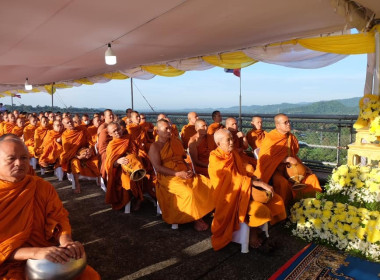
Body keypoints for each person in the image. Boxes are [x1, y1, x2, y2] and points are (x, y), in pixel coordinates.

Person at [0, 137, 100, 279]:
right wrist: (34, 253)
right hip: (8, 261)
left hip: (47, 257)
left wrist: (66, 241)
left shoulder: (41, 186)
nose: (19, 163)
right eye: (11, 158)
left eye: (24, 158)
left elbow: (58, 217)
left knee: (89, 276)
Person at [208, 129, 286, 250]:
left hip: (243, 190)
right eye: (228, 140)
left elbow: (242, 172)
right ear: (218, 144)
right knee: (259, 210)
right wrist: (256, 184)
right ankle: (252, 235)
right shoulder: (215, 158)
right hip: (229, 198)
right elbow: (232, 180)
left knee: (277, 199)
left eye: (232, 139)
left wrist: (256, 180)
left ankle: (259, 228)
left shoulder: (233, 154)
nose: (232, 142)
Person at [149, 119, 214, 231]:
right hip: (168, 177)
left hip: (183, 172)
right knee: (188, 192)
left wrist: (189, 170)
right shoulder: (155, 147)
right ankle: (196, 219)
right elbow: (158, 167)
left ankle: (208, 210)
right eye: (166, 129)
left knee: (208, 183)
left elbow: (183, 159)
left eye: (170, 128)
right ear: (158, 131)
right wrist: (178, 174)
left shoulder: (175, 142)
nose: (169, 131)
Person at [254, 114, 322, 206]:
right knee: (282, 183)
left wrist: (304, 167)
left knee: (311, 178)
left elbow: (294, 155)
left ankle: (312, 204)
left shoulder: (291, 137)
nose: (289, 124)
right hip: (275, 169)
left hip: (292, 170)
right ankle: (288, 207)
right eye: (285, 122)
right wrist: (285, 159)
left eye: (289, 122)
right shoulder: (271, 138)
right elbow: (265, 158)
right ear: (278, 125)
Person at [105, 122, 144, 210]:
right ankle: (130, 199)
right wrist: (118, 161)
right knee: (126, 178)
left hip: (133, 164)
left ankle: (138, 198)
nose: (117, 132)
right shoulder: (111, 145)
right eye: (114, 131)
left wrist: (130, 157)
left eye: (118, 129)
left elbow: (135, 152)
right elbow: (109, 164)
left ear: (121, 128)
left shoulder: (129, 138)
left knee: (137, 171)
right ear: (110, 134)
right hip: (118, 170)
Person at [60, 117, 100, 194]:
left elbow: (90, 141)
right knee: (75, 163)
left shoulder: (82, 129)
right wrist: (78, 157)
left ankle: (98, 179)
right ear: (64, 126)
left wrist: (90, 150)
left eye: (71, 121)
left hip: (86, 152)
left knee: (97, 161)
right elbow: (67, 153)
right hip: (74, 156)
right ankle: (77, 184)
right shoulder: (65, 135)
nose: (70, 123)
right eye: (67, 123)